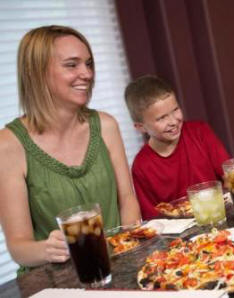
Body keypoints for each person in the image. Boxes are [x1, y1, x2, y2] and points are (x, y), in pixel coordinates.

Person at [0, 25, 142, 268]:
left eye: (88, 64)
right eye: (71, 65)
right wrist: (47, 248)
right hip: (57, 281)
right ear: (37, 72)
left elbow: (127, 200)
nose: (86, 74)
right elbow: (19, 247)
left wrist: (127, 250)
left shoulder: (106, 125)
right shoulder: (8, 145)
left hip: (118, 264)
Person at [125, 75, 230, 220]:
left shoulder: (200, 132)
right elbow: (153, 221)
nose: (173, 121)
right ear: (140, 127)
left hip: (218, 217)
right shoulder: (141, 166)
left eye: (175, 110)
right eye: (161, 118)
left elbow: (230, 177)